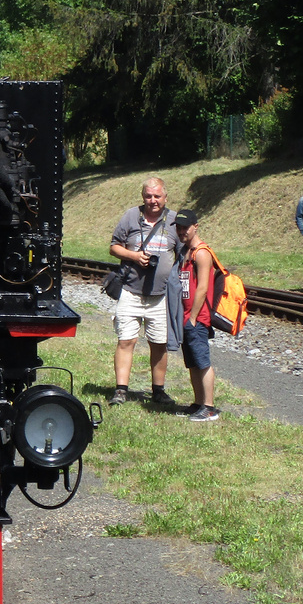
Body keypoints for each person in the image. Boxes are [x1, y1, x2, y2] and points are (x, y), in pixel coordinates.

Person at [108, 177, 179, 406]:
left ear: (165, 197)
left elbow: (184, 251)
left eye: (157, 196)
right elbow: (114, 247)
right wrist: (134, 256)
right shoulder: (131, 216)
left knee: (159, 343)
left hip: (160, 296)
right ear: (143, 197)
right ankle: (121, 390)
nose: (153, 201)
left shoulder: (174, 221)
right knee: (125, 340)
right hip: (130, 291)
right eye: (148, 196)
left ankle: (158, 390)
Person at [174, 209, 219, 421]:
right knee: (191, 362)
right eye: (179, 227)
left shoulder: (201, 253)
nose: (182, 231)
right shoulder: (185, 251)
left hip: (197, 318)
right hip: (185, 316)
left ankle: (209, 407)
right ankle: (198, 402)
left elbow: (202, 288)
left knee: (202, 362)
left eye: (186, 227)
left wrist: (192, 318)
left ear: (196, 227)